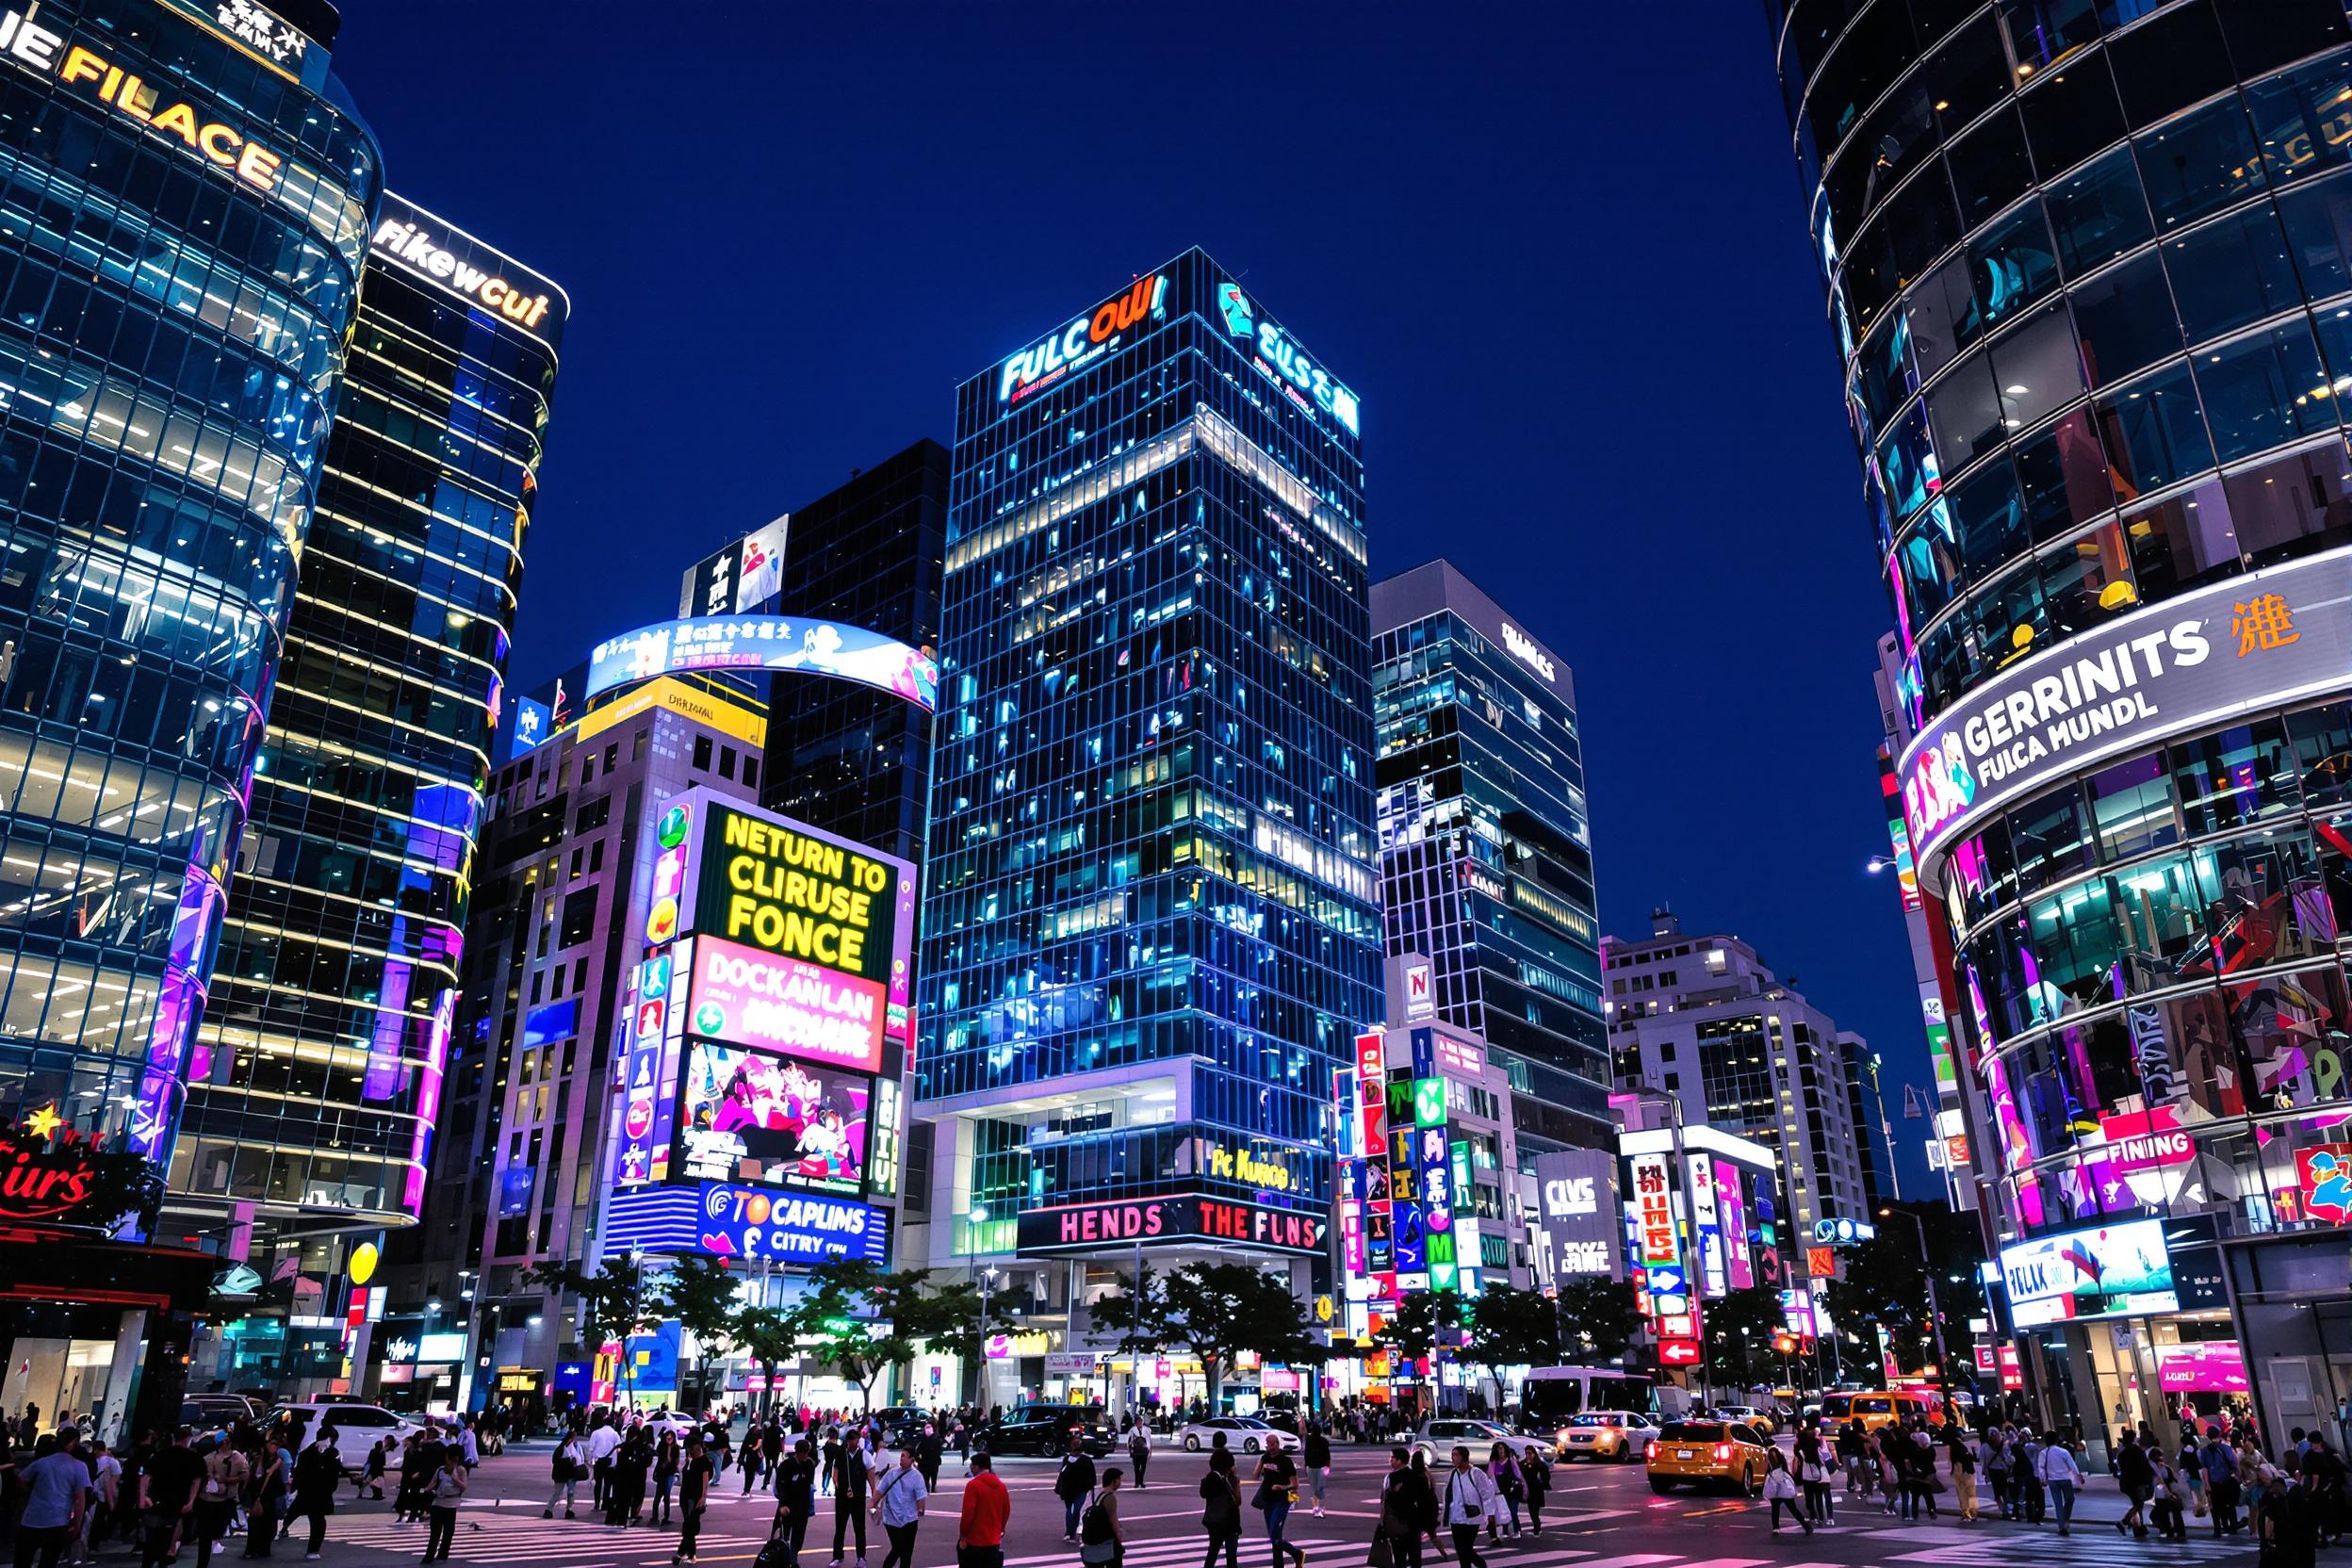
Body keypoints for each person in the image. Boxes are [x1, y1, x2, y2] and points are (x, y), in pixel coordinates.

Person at [17, 1431, 90, 1568]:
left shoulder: (42, 1462)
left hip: (32, 1518)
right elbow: (80, 1499)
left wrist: (30, 1491)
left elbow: (22, 1478)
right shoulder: (79, 1466)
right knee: (49, 1561)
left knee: (23, 1559)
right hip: (58, 1520)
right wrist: (77, 1524)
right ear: (75, 1443)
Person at [1442, 1446, 1498, 1568]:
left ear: (1463, 1457)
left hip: (1472, 1517)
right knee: (1460, 1549)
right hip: (1456, 1517)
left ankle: (1481, 1564)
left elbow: (1487, 1493)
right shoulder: (1454, 1473)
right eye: (1452, 1455)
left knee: (1466, 1548)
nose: (1453, 1458)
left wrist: (1490, 1513)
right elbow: (1449, 1494)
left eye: (1455, 1455)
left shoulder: (1476, 1473)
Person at [1251, 1435, 1304, 1568]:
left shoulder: (1285, 1461)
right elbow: (1255, 1476)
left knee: (1274, 1535)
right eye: (1267, 1444)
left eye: (1271, 1444)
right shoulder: (1265, 1457)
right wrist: (1260, 1462)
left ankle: (1296, 1554)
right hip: (1267, 1501)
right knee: (1275, 1537)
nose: (1268, 1446)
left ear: (1277, 1444)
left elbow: (1295, 1484)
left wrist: (1283, 1487)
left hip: (1281, 1501)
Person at [871, 1447, 926, 1568]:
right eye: (901, 1455)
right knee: (898, 1549)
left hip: (910, 1519)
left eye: (904, 1456)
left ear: (912, 1460)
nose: (901, 1458)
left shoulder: (917, 1477)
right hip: (891, 1518)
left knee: (907, 1553)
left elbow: (921, 1497)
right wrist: (874, 1508)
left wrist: (921, 1509)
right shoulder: (892, 1473)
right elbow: (879, 1491)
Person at [1377, 1447, 1431, 1568]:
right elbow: (1426, 1501)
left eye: (1392, 1458)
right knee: (1415, 1557)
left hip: (1397, 1523)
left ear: (1400, 1460)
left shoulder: (1390, 1477)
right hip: (1414, 1522)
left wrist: (1382, 1523)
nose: (1390, 1460)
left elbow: (1385, 1501)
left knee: (1399, 1557)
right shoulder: (1419, 1476)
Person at [290, 1430, 338, 1560]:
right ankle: (284, 1528)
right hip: (309, 1491)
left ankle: (313, 1549)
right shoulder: (308, 1453)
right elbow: (300, 1473)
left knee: (317, 1521)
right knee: (297, 1513)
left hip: (320, 1492)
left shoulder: (331, 1453)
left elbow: (335, 1472)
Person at [956, 1451, 1009, 1568]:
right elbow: (1006, 1511)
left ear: (977, 1466)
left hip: (975, 1539)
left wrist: (963, 1534)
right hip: (993, 1539)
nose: (970, 1468)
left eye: (972, 1465)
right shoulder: (1001, 1486)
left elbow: (968, 1513)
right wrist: (1001, 1529)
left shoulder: (973, 1485)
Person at [829, 1426, 870, 1568]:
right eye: (849, 1440)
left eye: (853, 1440)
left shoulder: (865, 1455)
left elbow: (871, 1473)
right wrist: (837, 1485)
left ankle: (861, 1557)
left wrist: (874, 1492)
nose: (851, 1443)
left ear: (858, 1440)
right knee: (840, 1528)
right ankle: (837, 1557)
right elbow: (835, 1472)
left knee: (859, 1528)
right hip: (842, 1498)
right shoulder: (841, 1454)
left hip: (858, 1498)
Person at [773, 1439, 817, 1568]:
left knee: (799, 1535)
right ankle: (783, 1559)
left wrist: (810, 1506)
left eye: (806, 1453)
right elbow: (781, 1486)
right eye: (803, 1453)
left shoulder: (809, 1465)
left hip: (802, 1506)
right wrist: (783, 1505)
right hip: (787, 1505)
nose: (805, 1456)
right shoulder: (786, 1465)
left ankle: (793, 1559)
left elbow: (809, 1486)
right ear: (797, 1452)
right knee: (783, 1534)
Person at [242, 1435, 287, 1560]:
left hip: (269, 1499)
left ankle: (260, 1549)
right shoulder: (259, 1462)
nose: (273, 1447)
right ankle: (255, 1549)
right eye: (271, 1444)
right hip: (260, 1498)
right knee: (257, 1524)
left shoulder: (278, 1462)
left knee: (266, 1525)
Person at [421, 1448, 466, 1565]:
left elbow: (464, 1487)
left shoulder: (460, 1470)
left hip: (451, 1504)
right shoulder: (441, 1469)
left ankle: (442, 1554)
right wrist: (426, 1490)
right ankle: (430, 1555)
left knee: (448, 1531)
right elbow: (433, 1483)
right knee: (436, 1532)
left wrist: (455, 1479)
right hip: (438, 1502)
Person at [2035, 1429, 2084, 1537]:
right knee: (2070, 1500)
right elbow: (2072, 1464)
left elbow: (2041, 1468)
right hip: (2065, 1479)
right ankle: (2065, 1520)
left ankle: (2062, 1525)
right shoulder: (2063, 1452)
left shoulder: (2043, 1453)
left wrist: (2043, 1479)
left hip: (2053, 1481)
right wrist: (2078, 1475)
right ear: (2057, 1439)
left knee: (2058, 1504)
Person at [1200, 1447, 1243, 1568]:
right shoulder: (1230, 1480)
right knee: (1231, 1557)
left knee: (1212, 1552)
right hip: (1230, 1522)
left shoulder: (1210, 1478)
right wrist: (1236, 1481)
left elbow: (1204, 1494)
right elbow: (1238, 1501)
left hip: (1214, 1521)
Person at [676, 1434, 713, 1566]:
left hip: (695, 1497)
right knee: (689, 1525)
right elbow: (684, 1474)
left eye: (691, 1448)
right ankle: (691, 1554)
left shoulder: (705, 1462)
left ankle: (681, 1552)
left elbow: (705, 1479)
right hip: (685, 1496)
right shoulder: (691, 1461)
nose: (689, 1451)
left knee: (690, 1525)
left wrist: (703, 1496)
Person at [1762, 1448, 1813, 1535]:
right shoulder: (1782, 1465)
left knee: (1776, 1508)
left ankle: (1776, 1529)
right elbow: (1788, 1472)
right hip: (1784, 1488)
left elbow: (1767, 1473)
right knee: (1792, 1509)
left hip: (1775, 1489)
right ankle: (1806, 1526)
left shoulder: (1770, 1468)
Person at [1054, 1446, 1098, 1544]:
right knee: (1072, 1510)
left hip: (1080, 1490)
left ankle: (1070, 1532)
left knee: (1074, 1510)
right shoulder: (1068, 1460)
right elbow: (1062, 1475)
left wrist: (1090, 1486)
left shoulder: (1085, 1460)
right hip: (1069, 1490)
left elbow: (1091, 1475)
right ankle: (1070, 1531)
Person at [1080, 1468, 1122, 1568]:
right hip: (1105, 1541)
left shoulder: (1097, 1494)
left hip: (1091, 1541)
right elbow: (1113, 1519)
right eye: (1119, 1479)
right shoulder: (1110, 1497)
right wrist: (1118, 1535)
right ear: (1114, 1481)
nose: (1120, 1482)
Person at [2115, 1429, 2153, 1540]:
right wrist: (2148, 1480)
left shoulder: (2122, 1453)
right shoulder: (2137, 1451)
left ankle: (2138, 1527)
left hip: (2127, 1482)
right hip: (2137, 1481)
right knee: (2139, 1504)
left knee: (2136, 1504)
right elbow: (2144, 1466)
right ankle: (2125, 1521)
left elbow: (2120, 1467)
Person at [1484, 1443, 1523, 1541]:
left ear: (1505, 1449)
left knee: (1513, 1511)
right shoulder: (1494, 1462)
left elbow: (1518, 1474)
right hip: (1500, 1491)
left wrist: (1523, 1485)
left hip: (1513, 1490)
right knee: (1503, 1511)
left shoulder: (1510, 1460)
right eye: (1497, 1449)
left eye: (1501, 1448)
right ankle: (1505, 1530)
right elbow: (1490, 1475)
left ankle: (1516, 1530)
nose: (1500, 1451)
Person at [545, 1429, 586, 1520]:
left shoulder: (573, 1447)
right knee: (563, 1492)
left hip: (566, 1473)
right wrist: (569, 1461)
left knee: (565, 1492)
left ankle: (562, 1510)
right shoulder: (562, 1449)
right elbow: (555, 1461)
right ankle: (551, 1510)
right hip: (566, 1472)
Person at [1519, 1445, 1549, 1537]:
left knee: (1535, 1509)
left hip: (1537, 1489)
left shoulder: (1539, 1464)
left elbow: (1546, 1476)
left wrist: (1543, 1482)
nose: (1528, 1455)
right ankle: (1537, 1525)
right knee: (1531, 1509)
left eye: (1530, 1453)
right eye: (1527, 1453)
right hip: (1528, 1489)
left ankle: (1537, 1526)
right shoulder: (1523, 1463)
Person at [1300, 1426, 1329, 1519]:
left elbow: (1306, 1454)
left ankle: (1316, 1507)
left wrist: (1306, 1464)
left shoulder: (1309, 1441)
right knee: (1320, 1487)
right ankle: (1319, 1508)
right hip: (1321, 1466)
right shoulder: (1323, 1441)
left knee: (1314, 1488)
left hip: (1312, 1466)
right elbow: (1327, 1454)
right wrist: (1327, 1465)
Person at [1127, 1424, 1152, 1492]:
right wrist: (1130, 1451)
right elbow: (1130, 1441)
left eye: (1141, 1421)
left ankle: (1141, 1481)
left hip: (1144, 1451)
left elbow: (1149, 1440)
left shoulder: (1147, 1429)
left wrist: (1150, 1451)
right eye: (1138, 1421)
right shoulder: (1132, 1430)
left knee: (1143, 1467)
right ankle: (1137, 1482)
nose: (1139, 1423)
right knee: (1136, 1468)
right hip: (1136, 1452)